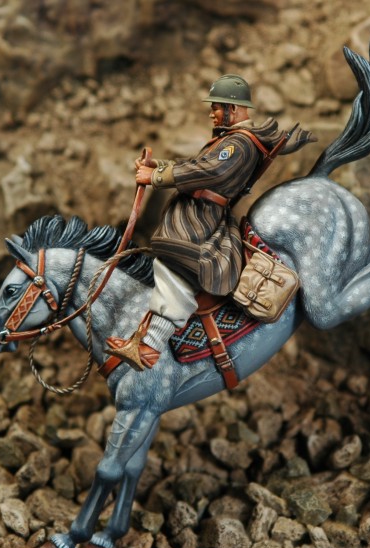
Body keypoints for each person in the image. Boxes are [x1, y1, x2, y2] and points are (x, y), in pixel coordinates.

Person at [105, 74, 315, 371]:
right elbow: (196, 165)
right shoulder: (230, 139)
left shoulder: (239, 144)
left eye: (216, 106)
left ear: (233, 108)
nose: (211, 112)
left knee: (176, 261)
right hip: (196, 217)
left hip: (203, 225)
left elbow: (212, 172)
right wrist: (158, 166)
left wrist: (156, 177)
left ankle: (150, 348)